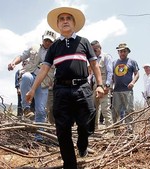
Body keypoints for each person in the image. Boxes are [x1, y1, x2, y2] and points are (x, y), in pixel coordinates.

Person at [25, 7, 104, 169]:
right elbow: (44, 69)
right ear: (58, 25)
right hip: (60, 91)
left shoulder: (84, 42)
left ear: (74, 23)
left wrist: (100, 84)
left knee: (87, 120)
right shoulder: (54, 47)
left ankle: (83, 143)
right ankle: (70, 165)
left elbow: (94, 65)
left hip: (82, 88)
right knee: (62, 130)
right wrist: (33, 89)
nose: (65, 20)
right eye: (62, 19)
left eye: (69, 18)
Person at [8, 30, 56, 141]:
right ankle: (26, 108)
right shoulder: (33, 48)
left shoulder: (55, 53)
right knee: (25, 77)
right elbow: (21, 56)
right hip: (31, 74)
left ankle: (39, 136)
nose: (48, 42)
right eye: (46, 40)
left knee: (41, 110)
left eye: (50, 41)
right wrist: (13, 63)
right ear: (42, 38)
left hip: (44, 83)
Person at [112, 43, 139, 134]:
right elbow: (111, 76)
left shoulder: (132, 62)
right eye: (120, 51)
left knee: (129, 110)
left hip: (128, 90)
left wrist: (132, 82)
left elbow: (137, 74)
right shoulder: (114, 63)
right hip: (116, 90)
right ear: (118, 52)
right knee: (115, 111)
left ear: (127, 52)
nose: (122, 53)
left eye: (124, 51)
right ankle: (115, 131)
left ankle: (130, 131)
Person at [90, 40, 113, 131]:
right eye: (92, 50)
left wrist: (107, 85)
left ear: (100, 48)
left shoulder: (106, 57)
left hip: (104, 85)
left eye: (95, 49)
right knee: (93, 108)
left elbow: (110, 72)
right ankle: (94, 128)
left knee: (105, 108)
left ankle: (109, 130)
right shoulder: (93, 59)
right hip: (95, 86)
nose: (94, 51)